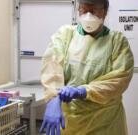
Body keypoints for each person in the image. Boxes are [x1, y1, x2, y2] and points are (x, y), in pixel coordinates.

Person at [39, 0, 134, 135]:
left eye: (94, 10)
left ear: (105, 11)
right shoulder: (65, 35)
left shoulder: (117, 41)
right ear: (78, 10)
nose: (88, 16)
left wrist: (83, 91)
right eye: (84, 10)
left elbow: (119, 79)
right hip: (70, 122)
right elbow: (52, 66)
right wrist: (53, 98)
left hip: (105, 123)